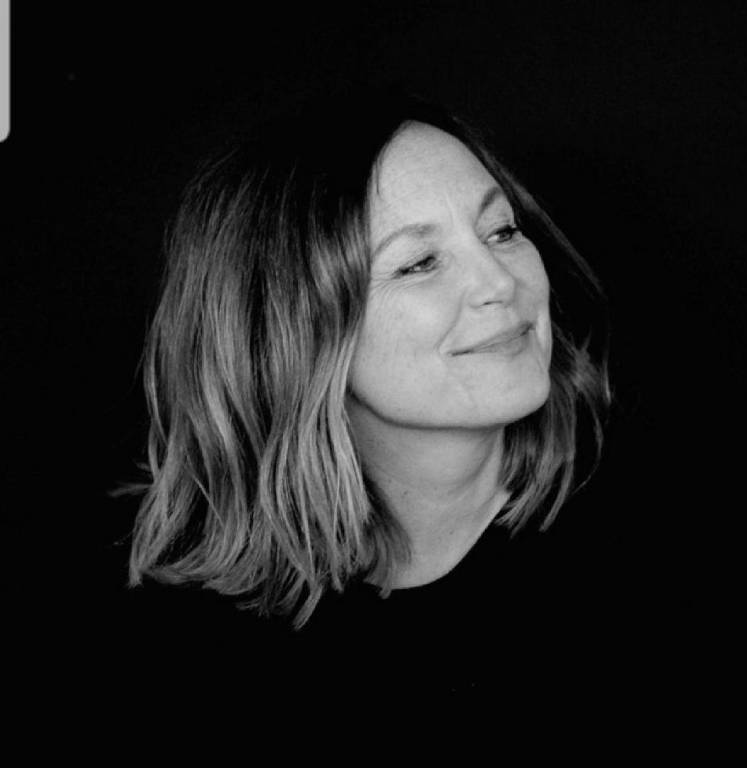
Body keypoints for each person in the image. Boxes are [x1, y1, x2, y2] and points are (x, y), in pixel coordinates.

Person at [117, 89, 613, 697]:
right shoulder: (184, 626)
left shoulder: (667, 521)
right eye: (420, 263)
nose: (501, 282)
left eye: (502, 231)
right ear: (289, 332)